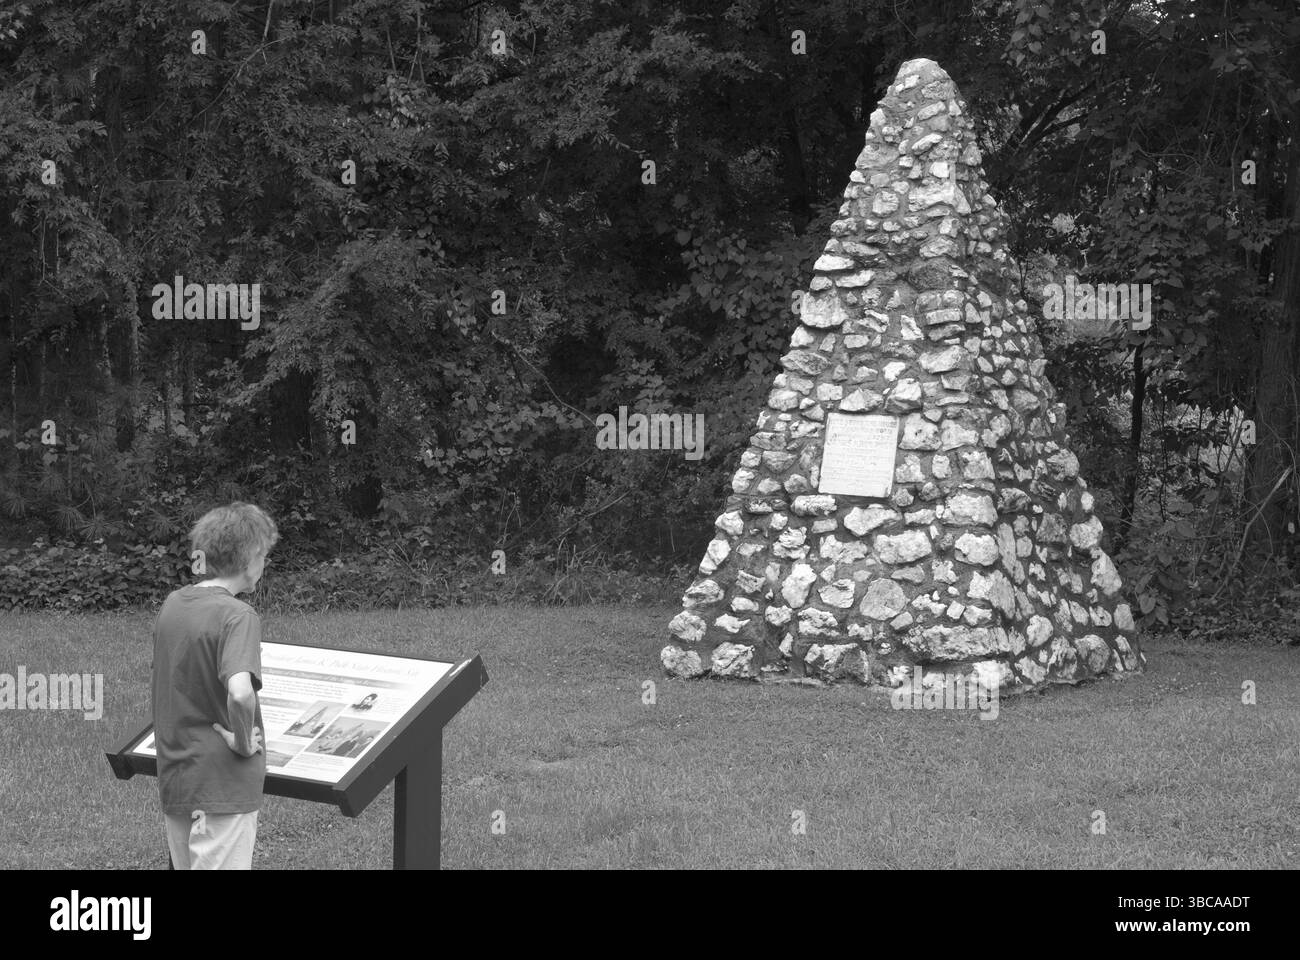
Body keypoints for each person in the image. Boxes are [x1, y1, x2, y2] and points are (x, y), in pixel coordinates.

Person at [151, 502, 278, 869]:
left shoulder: (174, 604)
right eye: (264, 555)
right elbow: (240, 692)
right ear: (251, 557)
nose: (264, 564)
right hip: (223, 785)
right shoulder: (238, 616)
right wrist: (241, 742)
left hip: (177, 778)